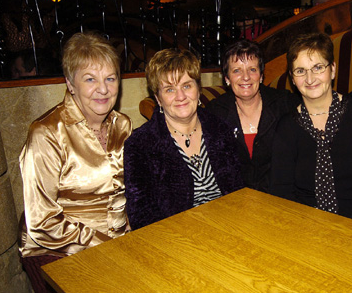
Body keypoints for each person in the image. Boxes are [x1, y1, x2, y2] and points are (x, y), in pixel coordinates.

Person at [19, 32, 132, 293]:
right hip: (56, 249)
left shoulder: (123, 125)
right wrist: (107, 246)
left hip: (117, 242)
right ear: (70, 84)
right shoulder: (46, 133)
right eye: (90, 79)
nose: (103, 89)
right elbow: (42, 221)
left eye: (110, 78)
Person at [207, 39, 352, 193]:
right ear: (227, 78)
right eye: (237, 70)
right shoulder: (215, 112)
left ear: (261, 76)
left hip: (279, 200)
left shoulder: (283, 103)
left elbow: (321, 100)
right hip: (236, 202)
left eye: (252, 69)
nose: (245, 77)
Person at [269, 33, 352, 223]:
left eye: (318, 67)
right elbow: (282, 191)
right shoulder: (287, 127)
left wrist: (350, 227)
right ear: (292, 79)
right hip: (305, 225)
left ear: (332, 70)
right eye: (300, 71)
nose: (310, 79)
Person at [124, 49, 244, 230]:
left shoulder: (221, 129)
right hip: (175, 241)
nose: (180, 97)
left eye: (187, 86)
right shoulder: (140, 145)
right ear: (157, 97)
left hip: (230, 228)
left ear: (198, 89)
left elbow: (239, 193)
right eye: (170, 89)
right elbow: (142, 218)